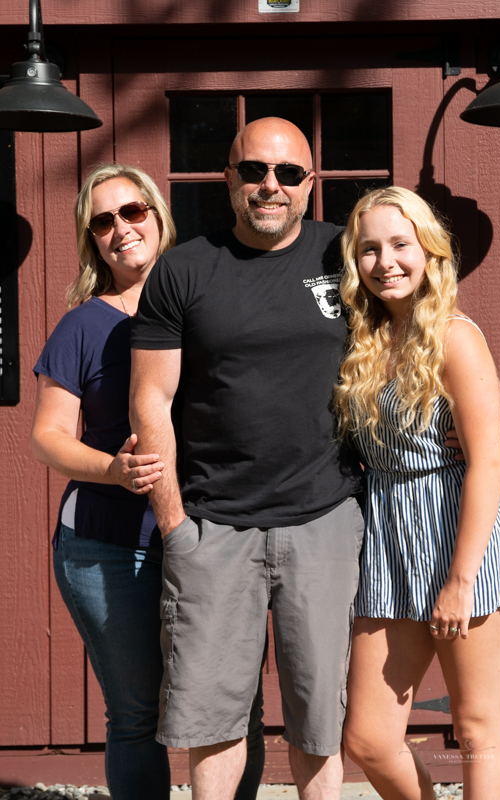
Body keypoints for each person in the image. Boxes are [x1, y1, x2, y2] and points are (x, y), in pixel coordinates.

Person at [128, 117, 366, 800]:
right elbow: (151, 396)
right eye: (254, 171)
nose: (271, 186)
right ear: (228, 179)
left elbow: (417, 334)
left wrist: (459, 417)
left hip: (322, 520)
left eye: (288, 173)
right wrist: (175, 523)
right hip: (213, 525)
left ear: (309, 184)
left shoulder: (343, 256)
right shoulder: (184, 269)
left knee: (318, 721)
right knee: (215, 720)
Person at [30, 163, 265, 800]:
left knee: (233, 707)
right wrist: (112, 469)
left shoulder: (211, 298)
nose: (121, 229)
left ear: (159, 217)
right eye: (102, 221)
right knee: (136, 715)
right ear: (91, 240)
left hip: (220, 533)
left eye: (133, 212)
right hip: (108, 545)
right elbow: (47, 436)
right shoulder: (83, 325)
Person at [334, 186, 500, 800]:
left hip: (462, 543)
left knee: (477, 730)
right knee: (367, 738)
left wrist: (461, 578)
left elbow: (488, 462)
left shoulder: (454, 335)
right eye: (369, 249)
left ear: (430, 252)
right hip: (390, 544)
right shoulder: (365, 341)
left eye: (400, 244)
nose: (385, 261)